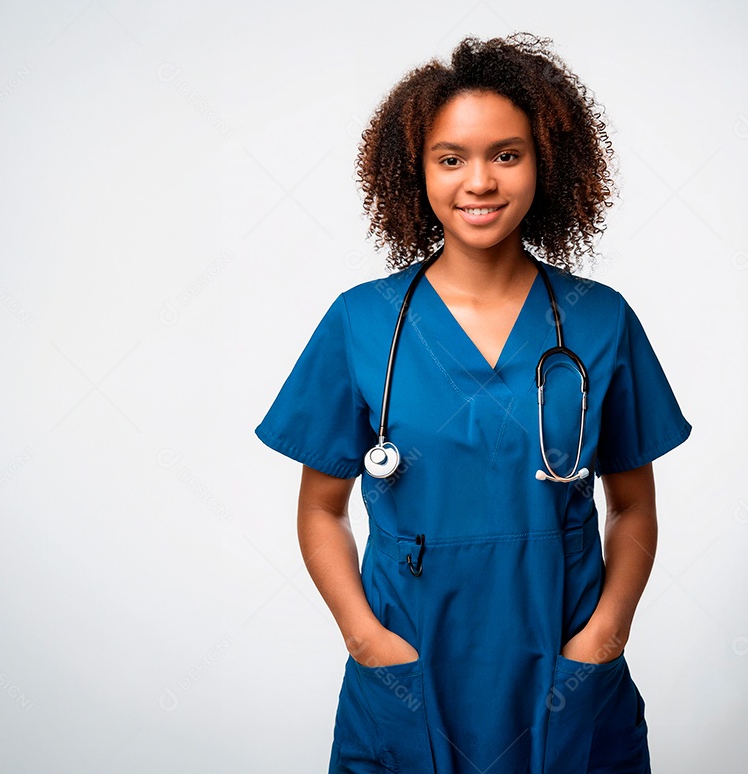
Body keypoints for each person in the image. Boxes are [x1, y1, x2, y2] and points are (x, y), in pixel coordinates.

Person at [255, 32, 692, 774]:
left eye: (507, 155)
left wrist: (606, 635)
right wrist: (364, 638)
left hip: (562, 660)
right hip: (411, 666)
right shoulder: (363, 323)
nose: (479, 182)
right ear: (416, 171)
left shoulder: (598, 319)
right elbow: (321, 509)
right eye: (451, 158)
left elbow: (633, 506)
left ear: (543, 164)